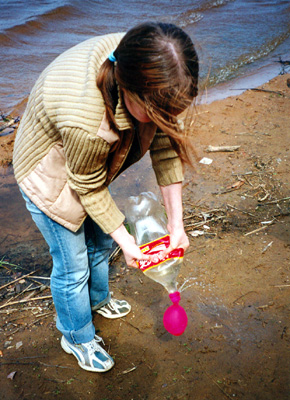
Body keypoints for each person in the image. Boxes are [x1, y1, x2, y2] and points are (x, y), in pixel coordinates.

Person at [13, 22, 199, 373]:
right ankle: (76, 334)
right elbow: (88, 186)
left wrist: (177, 223)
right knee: (72, 265)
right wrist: (128, 241)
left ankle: (98, 301)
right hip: (47, 168)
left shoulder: (151, 69)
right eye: (159, 113)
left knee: (100, 242)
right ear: (127, 91)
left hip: (86, 162)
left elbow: (165, 148)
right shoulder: (87, 118)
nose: (168, 119)